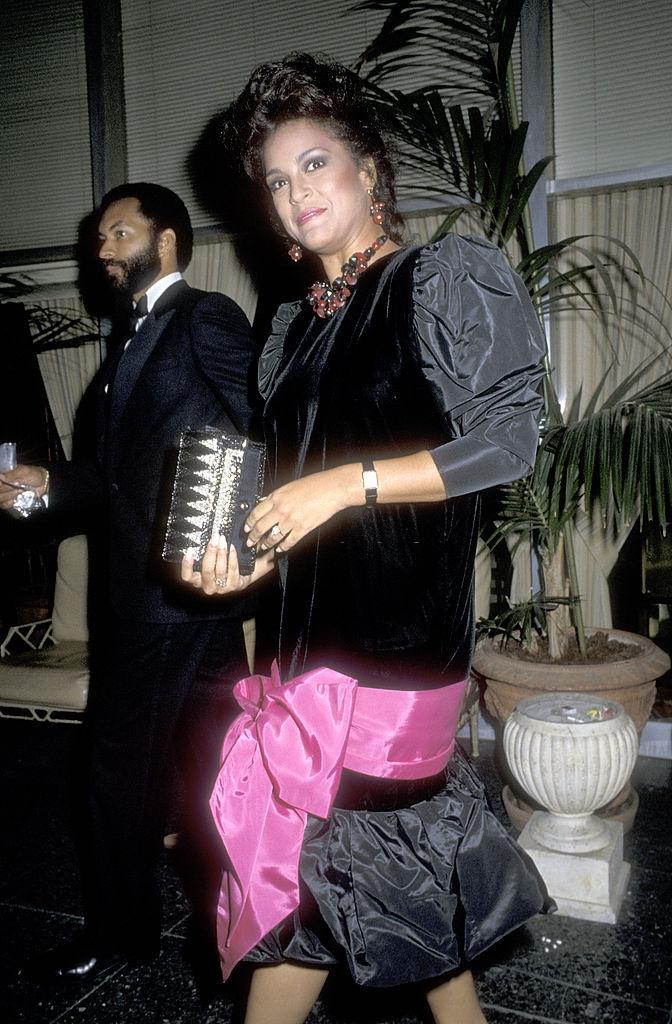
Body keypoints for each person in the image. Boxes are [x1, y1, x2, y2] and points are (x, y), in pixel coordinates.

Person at [181, 54, 552, 1024]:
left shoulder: (440, 279)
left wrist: (354, 483)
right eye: (274, 179)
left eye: (313, 163)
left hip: (390, 677)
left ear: (367, 169)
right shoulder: (292, 330)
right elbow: (292, 504)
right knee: (407, 911)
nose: (293, 192)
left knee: (317, 904)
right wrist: (243, 559)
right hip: (310, 671)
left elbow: (511, 441)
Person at [0, 182, 258, 981]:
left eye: (119, 233)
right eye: (98, 237)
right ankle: (258, 928)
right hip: (166, 599)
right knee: (227, 762)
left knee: (115, 772)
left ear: (169, 240)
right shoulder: (125, 346)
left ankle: (121, 933)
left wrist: (237, 536)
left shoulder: (203, 318)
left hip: (168, 598)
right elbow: (112, 481)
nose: (101, 248)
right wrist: (43, 482)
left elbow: (267, 423)